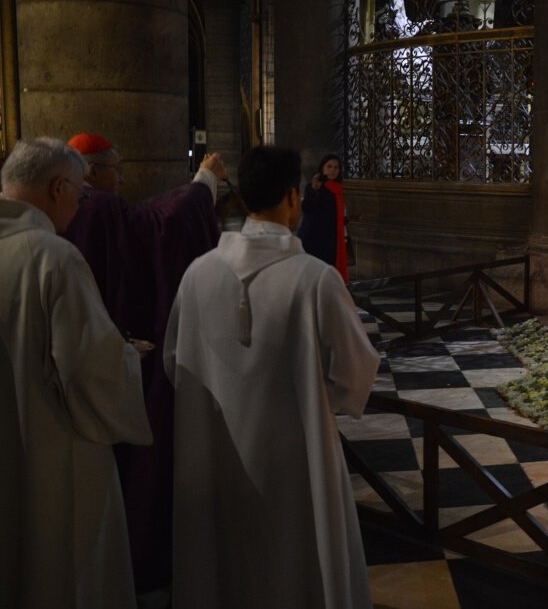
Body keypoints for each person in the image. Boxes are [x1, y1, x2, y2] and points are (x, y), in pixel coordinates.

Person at [164, 145, 380, 609]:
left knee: (225, 569)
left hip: (215, 460)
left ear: (242, 199)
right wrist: (307, 393)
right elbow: (356, 374)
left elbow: (174, 362)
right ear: (291, 198)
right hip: (295, 464)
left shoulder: (197, 275)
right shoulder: (316, 280)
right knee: (298, 568)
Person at [62, 131, 224, 595]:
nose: (122, 178)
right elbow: (158, 230)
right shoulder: (96, 207)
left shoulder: (65, 215)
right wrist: (203, 183)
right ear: (92, 172)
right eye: (117, 169)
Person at [0, 138, 152, 608]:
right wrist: (127, 357)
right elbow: (89, 370)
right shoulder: (53, 257)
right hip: (52, 449)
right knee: (63, 570)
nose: (81, 205)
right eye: (80, 194)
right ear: (58, 186)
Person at [299, 153, 349, 282]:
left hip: (332, 238)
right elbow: (307, 208)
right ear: (322, 168)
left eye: (336, 167)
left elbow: (333, 214)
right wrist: (315, 190)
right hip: (315, 237)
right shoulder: (314, 186)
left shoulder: (338, 189)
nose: (333, 170)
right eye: (329, 166)